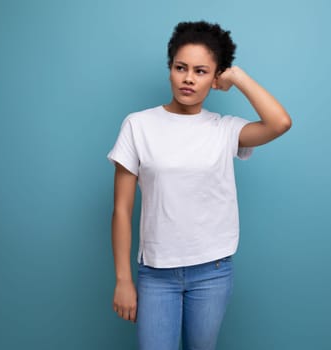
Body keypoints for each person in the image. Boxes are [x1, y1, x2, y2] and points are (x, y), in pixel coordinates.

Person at [107, 20, 292, 350]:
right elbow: (121, 209)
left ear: (215, 77)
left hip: (212, 271)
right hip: (157, 273)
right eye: (181, 67)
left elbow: (279, 123)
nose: (189, 78)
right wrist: (123, 279)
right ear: (170, 70)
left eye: (201, 71)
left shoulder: (224, 130)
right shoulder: (139, 125)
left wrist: (237, 76)